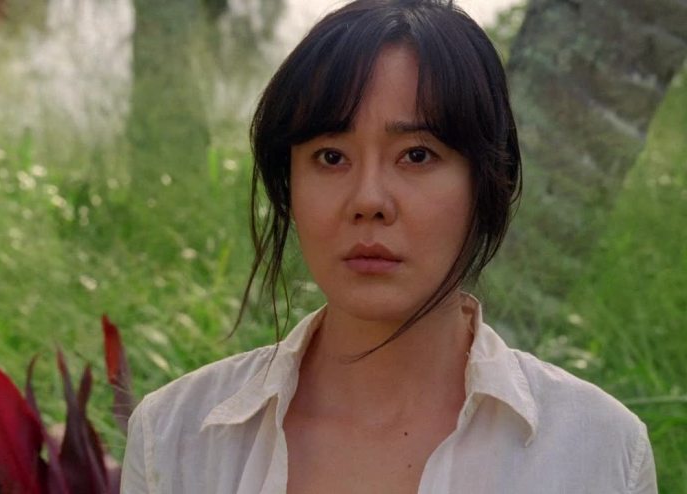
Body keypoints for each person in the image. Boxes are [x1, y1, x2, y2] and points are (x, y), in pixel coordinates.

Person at [121, 0, 657, 492]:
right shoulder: (175, 438)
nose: (368, 200)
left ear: (487, 182)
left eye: (417, 155)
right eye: (331, 157)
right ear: (289, 186)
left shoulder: (598, 451)